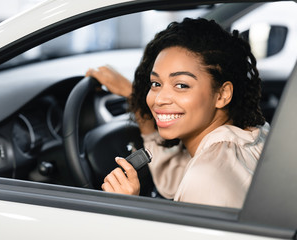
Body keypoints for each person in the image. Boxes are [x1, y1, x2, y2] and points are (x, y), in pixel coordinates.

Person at [86, 18, 269, 208]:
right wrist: (134, 95)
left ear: (222, 94)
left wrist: (127, 209)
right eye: (156, 84)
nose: (159, 100)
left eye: (181, 85)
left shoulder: (205, 179)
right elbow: (173, 178)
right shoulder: (254, 135)